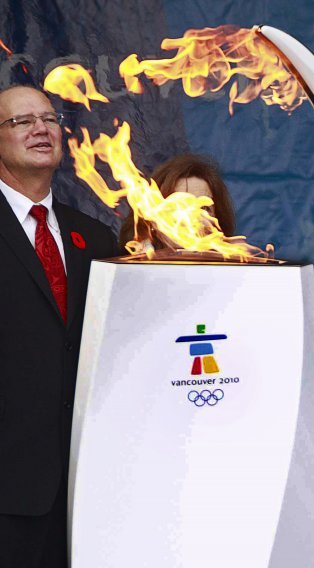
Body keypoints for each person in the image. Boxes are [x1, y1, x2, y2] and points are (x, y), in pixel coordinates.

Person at [0, 84, 117, 567]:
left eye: (48, 119)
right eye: (22, 121)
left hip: (87, 487)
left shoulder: (92, 235)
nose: (41, 129)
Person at [118, 153, 236, 251]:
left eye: (204, 208)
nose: (193, 218)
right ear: (152, 221)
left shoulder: (232, 271)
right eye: (180, 205)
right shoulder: (129, 269)